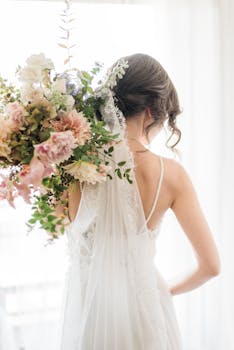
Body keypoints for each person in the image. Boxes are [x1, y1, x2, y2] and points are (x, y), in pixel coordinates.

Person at [57, 53, 221, 350]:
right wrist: (160, 290)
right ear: (149, 112)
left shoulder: (71, 163)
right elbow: (210, 266)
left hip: (90, 314)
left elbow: (61, 224)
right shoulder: (171, 175)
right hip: (147, 311)